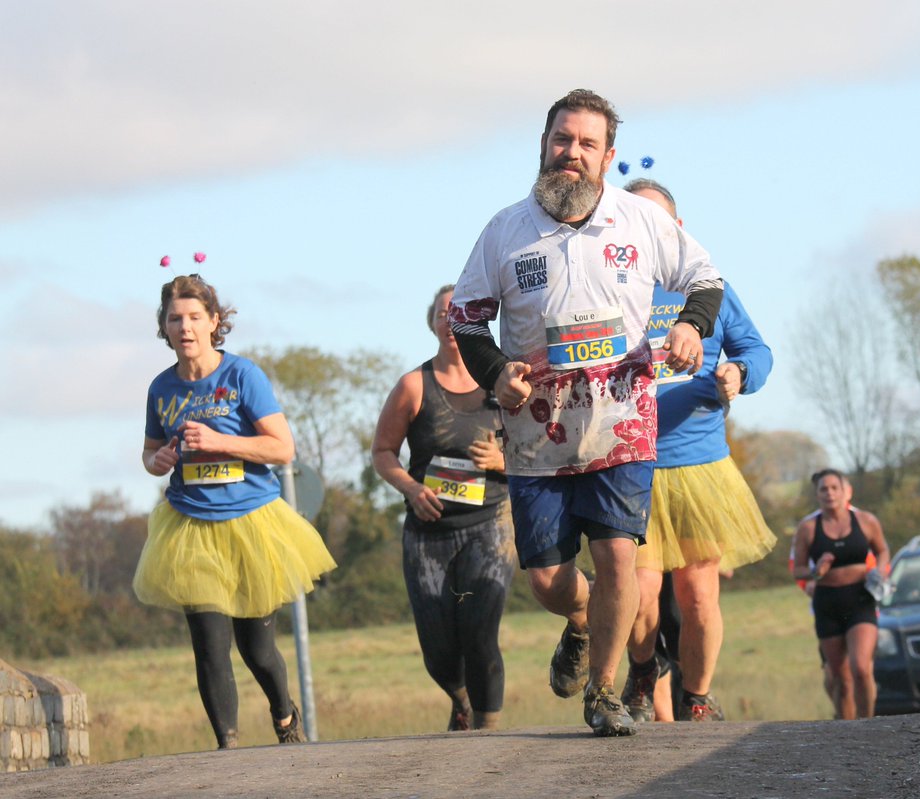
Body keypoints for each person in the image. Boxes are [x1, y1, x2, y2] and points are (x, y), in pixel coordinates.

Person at [448, 89, 724, 737]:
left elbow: (706, 280)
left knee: (620, 559)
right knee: (546, 577)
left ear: (608, 156)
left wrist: (689, 327)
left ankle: (603, 692)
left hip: (622, 423)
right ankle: (580, 619)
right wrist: (496, 371)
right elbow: (465, 318)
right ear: (544, 145)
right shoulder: (504, 231)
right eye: (562, 139)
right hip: (537, 434)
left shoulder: (640, 221)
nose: (573, 153)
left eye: (587, 143)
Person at [134, 273, 337, 750]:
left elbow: (282, 448)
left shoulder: (242, 375)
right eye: (174, 319)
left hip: (251, 523)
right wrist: (157, 461)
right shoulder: (160, 389)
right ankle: (227, 747)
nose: (184, 327)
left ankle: (284, 714)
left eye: (194, 318)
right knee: (208, 643)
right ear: (164, 328)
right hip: (190, 527)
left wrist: (221, 440)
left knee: (257, 649)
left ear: (214, 322)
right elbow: (149, 455)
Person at [617, 178, 775, 723]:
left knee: (700, 597)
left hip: (699, 468)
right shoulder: (608, 289)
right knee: (638, 599)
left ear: (678, 229)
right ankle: (643, 674)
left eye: (659, 222)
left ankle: (698, 698)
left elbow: (758, 350)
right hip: (629, 467)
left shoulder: (710, 288)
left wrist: (740, 372)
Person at [371, 285, 516, 731]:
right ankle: (461, 701)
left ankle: (488, 736)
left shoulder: (507, 382)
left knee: (480, 630)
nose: (451, 322)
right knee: (437, 647)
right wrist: (412, 489)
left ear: (478, 322)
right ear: (433, 323)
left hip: (490, 523)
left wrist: (502, 461)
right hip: (428, 532)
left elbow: (542, 449)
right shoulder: (414, 385)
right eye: (442, 314)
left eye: (460, 314)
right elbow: (382, 452)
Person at [792, 470, 890, 720]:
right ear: (817, 495)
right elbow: (798, 569)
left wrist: (880, 571)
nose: (830, 493)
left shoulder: (865, 521)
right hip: (827, 603)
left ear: (845, 491)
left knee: (860, 668)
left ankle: (868, 725)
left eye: (835, 487)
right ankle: (845, 733)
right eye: (824, 489)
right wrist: (816, 571)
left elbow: (882, 550)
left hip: (860, 600)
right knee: (840, 678)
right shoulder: (808, 528)